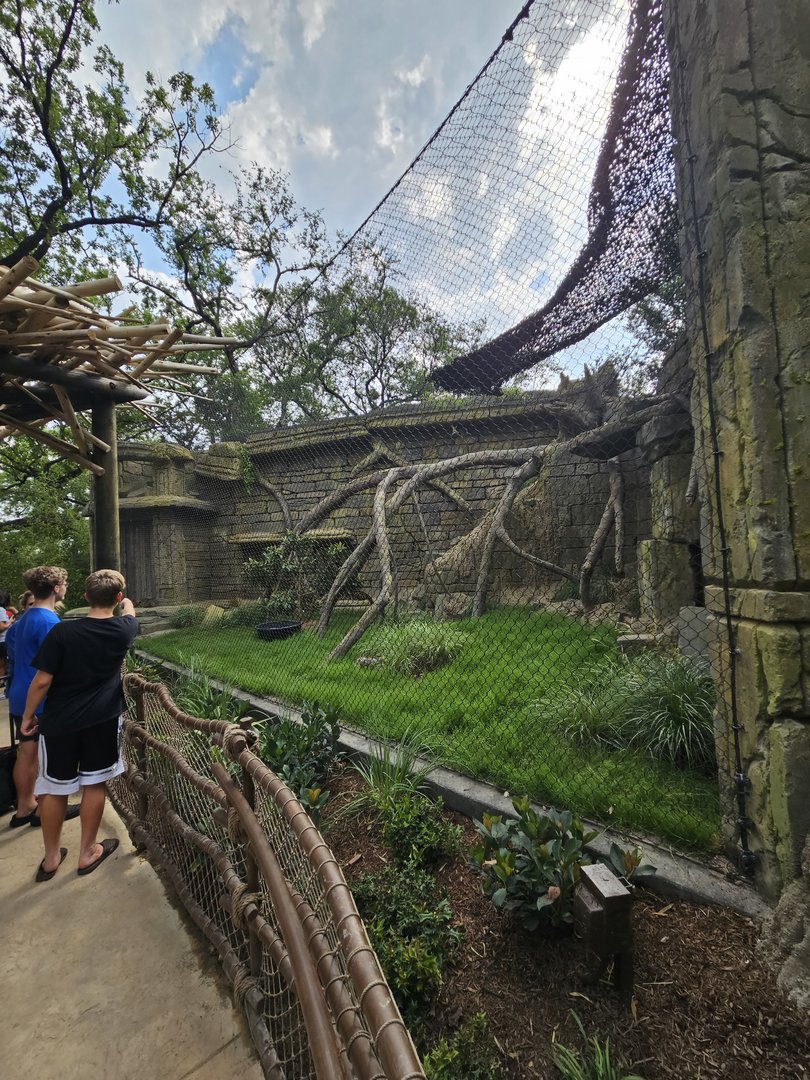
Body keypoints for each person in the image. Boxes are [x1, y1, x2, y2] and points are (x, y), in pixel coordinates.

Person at [21, 569, 138, 880]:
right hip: (102, 719)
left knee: (53, 789)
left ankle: (50, 860)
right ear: (115, 598)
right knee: (94, 784)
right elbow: (129, 612)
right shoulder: (124, 630)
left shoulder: (62, 633)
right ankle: (87, 852)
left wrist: (29, 716)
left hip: (60, 721)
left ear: (85, 596)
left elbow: (42, 681)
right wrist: (125, 602)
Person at [6, 567, 81, 828]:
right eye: (65, 583)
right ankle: (45, 810)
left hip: (20, 694)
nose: (66, 587)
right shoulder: (49, 623)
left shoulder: (23, 620)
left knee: (26, 753)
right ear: (57, 588)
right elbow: (55, 669)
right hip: (42, 700)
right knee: (49, 758)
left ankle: (25, 805)